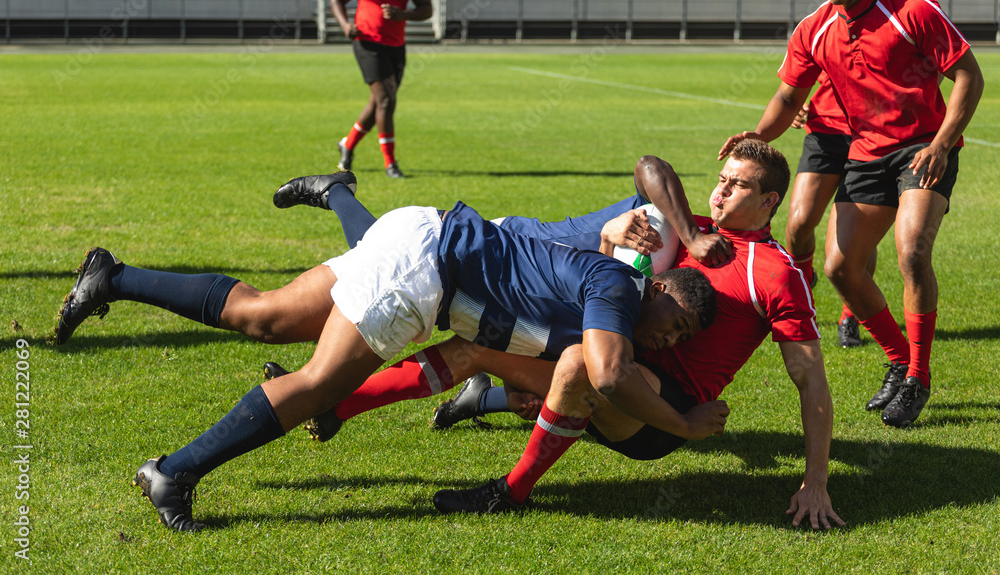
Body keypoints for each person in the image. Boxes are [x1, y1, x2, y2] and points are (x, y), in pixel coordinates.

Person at [53, 177, 719, 532]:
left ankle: (114, 276)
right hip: (424, 272)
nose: (668, 339)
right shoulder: (618, 288)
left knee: (263, 316)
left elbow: (609, 235)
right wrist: (684, 424)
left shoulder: (608, 263)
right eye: (673, 323)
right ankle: (174, 471)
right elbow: (607, 371)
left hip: (417, 233)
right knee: (315, 384)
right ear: (656, 283)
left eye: (679, 338)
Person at [275, 139, 842, 530]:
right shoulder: (687, 229)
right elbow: (649, 169)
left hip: (661, 408)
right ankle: (338, 407)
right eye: (721, 180)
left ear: (769, 201)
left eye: (739, 186)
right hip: (605, 345)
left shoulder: (773, 272)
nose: (721, 193)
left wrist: (815, 482)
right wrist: (617, 232)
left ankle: (510, 491)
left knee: (577, 363)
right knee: (478, 341)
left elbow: (810, 380)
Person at [718, 0, 984, 429]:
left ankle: (918, 378)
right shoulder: (815, 27)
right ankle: (898, 357)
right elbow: (789, 98)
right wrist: (758, 136)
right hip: (864, 156)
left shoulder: (913, 13)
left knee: (913, 250)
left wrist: (942, 144)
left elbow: (970, 75)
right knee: (841, 267)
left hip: (921, 151)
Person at [331, 0, 432, 178]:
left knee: (379, 102)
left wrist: (402, 14)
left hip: (396, 46)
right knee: (386, 101)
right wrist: (345, 26)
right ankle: (391, 163)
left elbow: (426, 9)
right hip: (367, 43)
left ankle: (348, 144)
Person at [785, 72, 874, 348]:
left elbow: (932, 69)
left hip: (873, 133)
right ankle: (802, 285)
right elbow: (801, 69)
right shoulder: (817, 27)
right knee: (799, 223)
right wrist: (798, 99)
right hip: (825, 130)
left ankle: (851, 316)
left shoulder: (897, 27)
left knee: (857, 236)